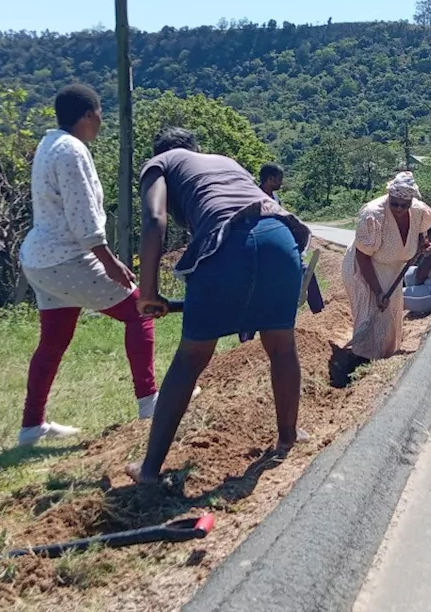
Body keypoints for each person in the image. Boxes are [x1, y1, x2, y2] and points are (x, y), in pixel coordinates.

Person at [126, 127, 312, 485]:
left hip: (228, 244)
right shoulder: (223, 161)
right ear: (195, 148)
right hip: (279, 236)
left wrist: (147, 291)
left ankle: (149, 469)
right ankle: (288, 436)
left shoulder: (159, 164)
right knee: (281, 345)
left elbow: (154, 220)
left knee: (190, 358)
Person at [16, 84, 157, 446]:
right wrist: (107, 260)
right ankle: (150, 401)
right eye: (100, 116)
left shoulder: (49, 144)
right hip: (67, 257)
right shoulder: (72, 151)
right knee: (139, 309)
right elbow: (83, 215)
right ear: (90, 114)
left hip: (40, 260)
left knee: (53, 340)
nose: (101, 123)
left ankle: (32, 426)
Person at [341, 172, 431, 362]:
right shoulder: (373, 214)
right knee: (369, 316)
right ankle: (361, 360)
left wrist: (423, 244)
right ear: (388, 197)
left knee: (389, 317)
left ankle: (383, 358)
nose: (399, 209)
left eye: (404, 204)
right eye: (394, 203)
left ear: (411, 201)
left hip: (394, 272)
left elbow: (421, 234)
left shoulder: (419, 211)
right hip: (364, 269)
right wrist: (377, 291)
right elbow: (363, 255)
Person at [240, 162, 323, 343]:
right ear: (270, 179)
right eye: (279, 179)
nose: (281, 182)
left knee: (306, 270)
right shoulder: (253, 199)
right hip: (260, 251)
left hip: (280, 247)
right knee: (257, 292)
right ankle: (247, 338)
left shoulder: (276, 198)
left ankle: (320, 314)